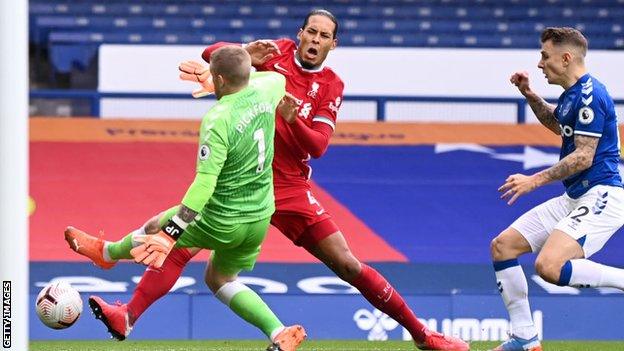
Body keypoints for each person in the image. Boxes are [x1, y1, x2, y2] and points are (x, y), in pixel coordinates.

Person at [65, 9, 469, 351]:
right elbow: (219, 59)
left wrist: (293, 121)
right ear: (299, 34)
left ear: (333, 45)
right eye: (310, 31)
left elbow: (319, 145)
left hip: (289, 186)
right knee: (181, 250)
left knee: (346, 262)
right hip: (242, 180)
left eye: (324, 36)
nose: (314, 39)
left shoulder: (330, 86)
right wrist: (246, 49)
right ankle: (127, 311)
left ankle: (422, 334)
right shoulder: (277, 57)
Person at [68, 46, 307, 351]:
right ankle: (278, 332)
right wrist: (229, 71)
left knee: (159, 230)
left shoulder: (218, 119)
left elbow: (204, 184)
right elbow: (265, 77)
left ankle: (108, 254)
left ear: (218, 78)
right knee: (221, 278)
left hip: (222, 217)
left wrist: (172, 233)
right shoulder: (271, 86)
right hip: (260, 217)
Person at [491, 27, 624, 351]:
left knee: (549, 267)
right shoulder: (572, 95)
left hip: (603, 194)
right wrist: (530, 95)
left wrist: (533, 180)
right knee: (503, 247)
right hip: (576, 196)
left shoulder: (591, 94)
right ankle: (524, 337)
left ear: (565, 58)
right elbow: (557, 123)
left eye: (544, 56)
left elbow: (583, 156)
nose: (540, 64)